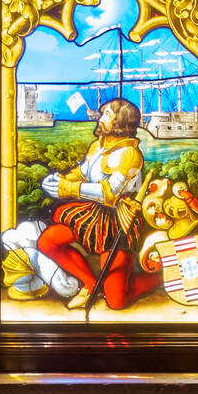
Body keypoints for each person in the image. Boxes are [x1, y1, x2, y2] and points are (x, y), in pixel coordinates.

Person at [37, 97, 160, 311]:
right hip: (93, 214)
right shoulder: (98, 146)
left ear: (119, 124)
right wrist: (59, 181)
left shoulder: (130, 154)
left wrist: (68, 188)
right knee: (48, 242)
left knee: (116, 301)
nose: (99, 119)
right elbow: (81, 173)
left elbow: (110, 193)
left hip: (119, 220)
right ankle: (91, 284)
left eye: (106, 115)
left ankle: (161, 278)